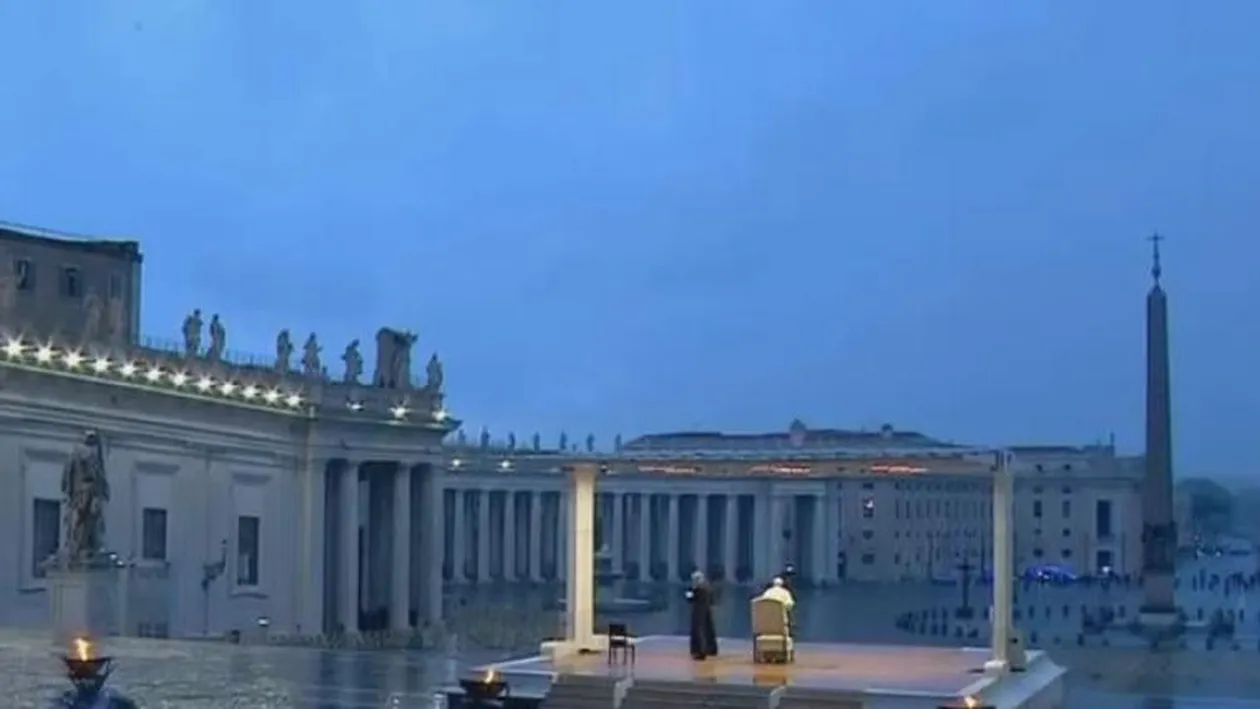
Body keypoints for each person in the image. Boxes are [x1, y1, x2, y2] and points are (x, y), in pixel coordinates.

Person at [685, 570, 719, 659]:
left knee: (698, 630)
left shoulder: (697, 589)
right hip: (707, 610)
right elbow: (712, 600)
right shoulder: (707, 588)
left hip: (698, 610)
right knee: (708, 629)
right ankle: (711, 649)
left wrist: (689, 592)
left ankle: (700, 651)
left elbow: (690, 599)